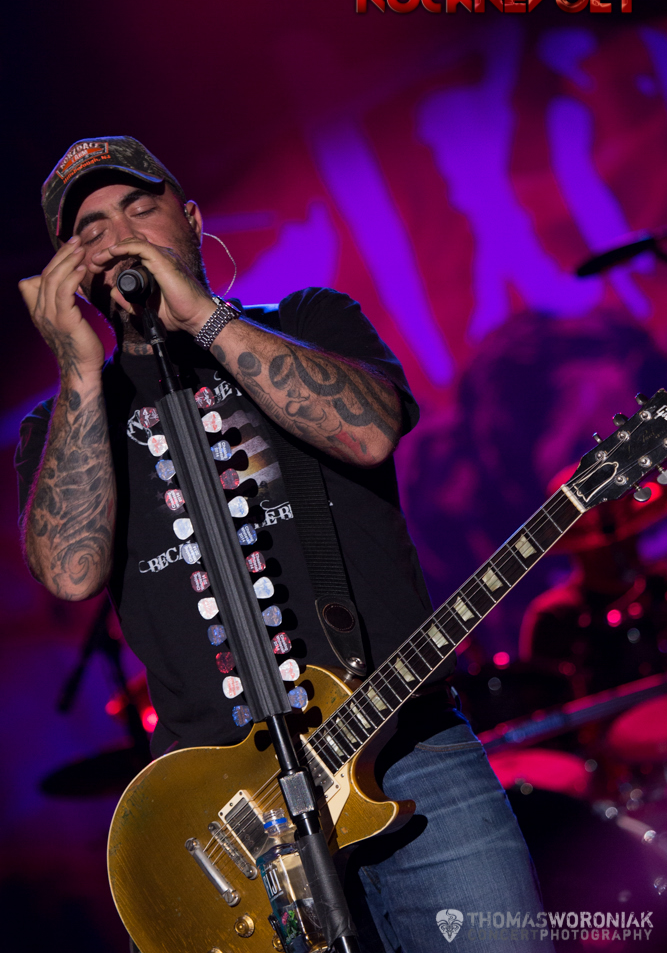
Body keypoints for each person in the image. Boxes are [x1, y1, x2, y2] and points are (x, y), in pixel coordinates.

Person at [16, 137, 551, 953]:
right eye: (91, 230)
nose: (120, 236)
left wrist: (202, 317)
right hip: (229, 812)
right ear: (73, 274)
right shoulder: (66, 420)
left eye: (140, 208)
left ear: (192, 221)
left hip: (405, 747)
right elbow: (68, 570)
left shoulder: (308, 320)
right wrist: (79, 372)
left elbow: (368, 434)